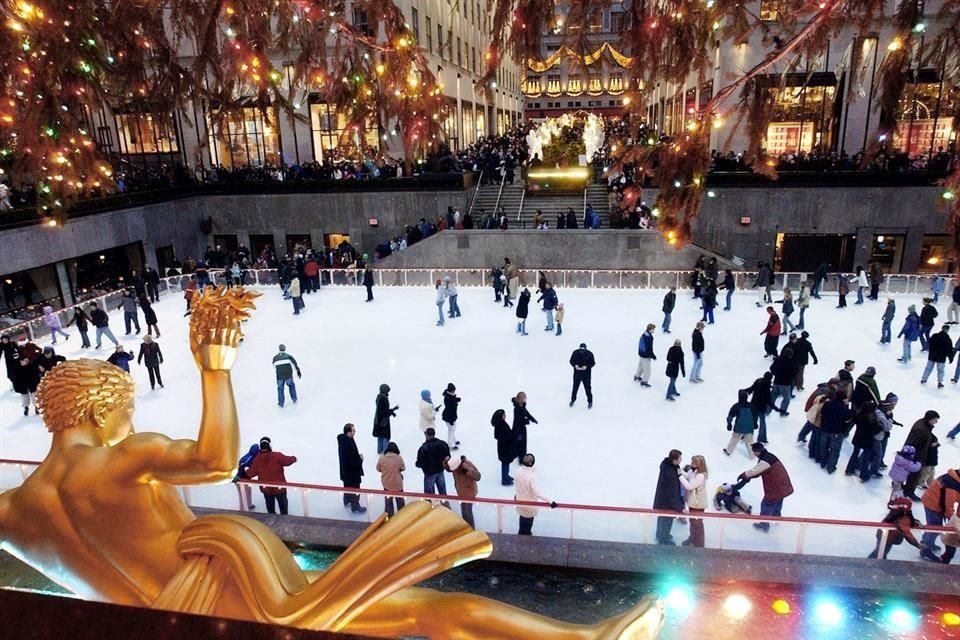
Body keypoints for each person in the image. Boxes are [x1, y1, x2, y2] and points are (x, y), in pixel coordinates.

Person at [738, 443, 794, 532]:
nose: (754, 454)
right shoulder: (769, 456)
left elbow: (755, 471)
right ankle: (776, 518)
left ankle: (764, 524)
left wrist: (744, 475)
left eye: (754, 452)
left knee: (766, 503)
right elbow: (760, 471)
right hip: (783, 485)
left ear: (757, 452)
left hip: (775, 487)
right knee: (778, 500)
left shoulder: (765, 461)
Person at [245, 436, 298, 515]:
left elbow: (250, 473)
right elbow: (287, 461)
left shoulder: (257, 459)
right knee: (283, 506)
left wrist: (241, 473)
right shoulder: (277, 455)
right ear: (269, 446)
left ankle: (272, 518)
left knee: (270, 508)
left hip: (266, 488)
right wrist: (294, 458)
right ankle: (284, 518)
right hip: (279, 487)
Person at [919, 467, 960, 561]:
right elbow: (947, 505)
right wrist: (952, 519)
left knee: (934, 527)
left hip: (936, 502)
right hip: (932, 505)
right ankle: (925, 549)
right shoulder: (952, 484)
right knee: (935, 527)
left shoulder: (955, 478)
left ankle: (926, 541)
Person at [902, 410, 939, 500]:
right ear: (930, 419)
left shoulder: (924, 425)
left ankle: (901, 484)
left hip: (916, 454)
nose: (936, 422)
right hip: (916, 455)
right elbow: (913, 442)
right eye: (935, 419)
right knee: (915, 475)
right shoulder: (922, 430)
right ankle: (909, 492)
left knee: (907, 471)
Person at [514, 453, 555, 535]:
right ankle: (524, 541)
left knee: (522, 523)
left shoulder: (518, 471)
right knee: (526, 527)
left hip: (519, 501)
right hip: (529, 505)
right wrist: (550, 501)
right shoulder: (531, 477)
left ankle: (522, 538)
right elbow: (538, 492)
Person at [653, 449, 684, 545]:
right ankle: (664, 538)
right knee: (667, 519)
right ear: (674, 460)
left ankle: (660, 534)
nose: (681, 460)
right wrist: (679, 507)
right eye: (680, 458)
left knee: (662, 518)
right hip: (667, 503)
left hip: (662, 500)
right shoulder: (670, 474)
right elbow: (672, 492)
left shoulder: (666, 465)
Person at [679, 455, 708, 547]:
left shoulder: (701, 476)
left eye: (694, 463)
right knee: (692, 522)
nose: (691, 464)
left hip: (698, 503)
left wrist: (679, 475)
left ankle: (699, 543)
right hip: (692, 501)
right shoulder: (693, 471)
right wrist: (679, 470)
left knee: (697, 524)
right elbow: (687, 475)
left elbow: (689, 486)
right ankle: (692, 538)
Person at [337, 423, 367, 514]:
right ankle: (355, 505)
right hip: (352, 473)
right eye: (353, 430)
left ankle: (347, 500)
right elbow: (351, 460)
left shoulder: (344, 441)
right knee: (355, 488)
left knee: (347, 486)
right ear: (348, 432)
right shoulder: (347, 444)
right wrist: (360, 459)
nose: (355, 432)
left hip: (346, 472)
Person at [448, 454, 481, 529]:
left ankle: (471, 528)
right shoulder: (454, 464)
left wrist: (469, 469)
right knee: (464, 510)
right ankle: (467, 527)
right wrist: (445, 463)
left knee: (467, 511)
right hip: (461, 492)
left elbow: (478, 476)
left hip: (469, 493)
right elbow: (449, 468)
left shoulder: (467, 465)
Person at [416, 427, 451, 496]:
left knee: (429, 494)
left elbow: (419, 463)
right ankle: (445, 504)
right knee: (442, 490)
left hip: (429, 473)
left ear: (426, 435)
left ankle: (430, 505)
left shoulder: (423, 448)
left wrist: (419, 464)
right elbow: (448, 456)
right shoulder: (443, 444)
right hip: (440, 471)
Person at [744, 371, 774, 443]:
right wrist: (776, 408)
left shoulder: (758, 381)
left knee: (751, 420)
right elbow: (769, 401)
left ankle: (745, 434)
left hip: (753, 405)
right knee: (762, 422)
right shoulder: (767, 388)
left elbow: (751, 388)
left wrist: (745, 390)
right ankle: (762, 438)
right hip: (761, 407)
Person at [724, 390, 757, 455]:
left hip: (739, 427)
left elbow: (730, 416)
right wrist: (755, 423)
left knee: (734, 439)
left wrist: (729, 424)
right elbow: (755, 415)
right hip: (749, 427)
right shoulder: (751, 406)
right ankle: (753, 454)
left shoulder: (736, 406)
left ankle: (729, 451)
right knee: (750, 442)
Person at [376, 442, 405, 516]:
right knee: (400, 502)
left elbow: (378, 468)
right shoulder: (399, 458)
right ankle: (401, 516)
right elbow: (403, 468)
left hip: (387, 484)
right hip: (398, 484)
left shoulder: (382, 458)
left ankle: (389, 517)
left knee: (388, 502)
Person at [511, 392, 538, 461]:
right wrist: (526, 421)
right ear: (520, 399)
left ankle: (521, 456)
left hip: (522, 429)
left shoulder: (522, 406)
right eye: (524, 398)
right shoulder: (517, 408)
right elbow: (519, 420)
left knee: (522, 443)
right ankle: (521, 458)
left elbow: (527, 413)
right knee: (520, 443)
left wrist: (532, 419)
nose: (525, 399)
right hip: (518, 430)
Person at [769, 347, 795, 416]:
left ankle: (767, 410)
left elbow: (771, 368)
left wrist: (776, 374)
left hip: (776, 382)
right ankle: (782, 412)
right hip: (786, 384)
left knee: (773, 397)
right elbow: (794, 372)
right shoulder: (791, 362)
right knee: (786, 399)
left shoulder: (778, 360)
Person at [491, 409, 515, 485]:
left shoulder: (501, 423)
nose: (505, 416)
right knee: (505, 463)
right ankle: (504, 479)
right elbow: (501, 436)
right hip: (504, 449)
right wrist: (510, 438)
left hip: (504, 448)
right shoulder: (500, 425)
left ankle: (506, 476)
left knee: (506, 463)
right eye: (504, 415)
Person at [233, 443, 260, 510]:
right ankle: (242, 509)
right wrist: (236, 476)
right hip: (240, 479)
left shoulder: (253, 456)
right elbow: (239, 466)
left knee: (248, 491)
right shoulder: (247, 459)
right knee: (242, 494)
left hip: (247, 479)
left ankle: (249, 504)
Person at [373, 383, 398, 455]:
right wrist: (393, 410)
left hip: (378, 420)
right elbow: (384, 412)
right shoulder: (383, 398)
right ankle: (385, 452)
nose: (388, 392)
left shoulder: (379, 397)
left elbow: (382, 410)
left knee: (380, 436)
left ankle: (379, 450)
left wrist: (392, 412)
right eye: (387, 390)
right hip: (383, 421)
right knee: (385, 437)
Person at [569, 342, 595, 408]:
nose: (582, 351)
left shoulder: (590, 354)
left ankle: (590, 401)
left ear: (585, 349)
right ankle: (573, 400)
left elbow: (593, 363)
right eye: (581, 349)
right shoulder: (575, 353)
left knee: (587, 389)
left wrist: (586, 367)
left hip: (586, 375)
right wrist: (575, 365)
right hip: (577, 374)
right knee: (575, 388)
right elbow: (571, 360)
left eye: (583, 350)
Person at [634, 323, 656, 387]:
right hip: (645, 355)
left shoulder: (644, 334)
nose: (654, 330)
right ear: (650, 329)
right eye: (653, 329)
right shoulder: (648, 337)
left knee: (641, 366)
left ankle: (637, 376)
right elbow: (649, 348)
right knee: (647, 370)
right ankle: (644, 381)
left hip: (641, 353)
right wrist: (652, 356)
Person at [441, 383, 461, 450]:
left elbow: (453, 400)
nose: (454, 392)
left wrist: (456, 399)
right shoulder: (448, 398)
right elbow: (450, 410)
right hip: (449, 417)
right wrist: (451, 420)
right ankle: (450, 445)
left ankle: (453, 440)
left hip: (452, 416)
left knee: (453, 429)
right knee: (451, 430)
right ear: (450, 390)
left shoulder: (450, 395)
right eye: (453, 390)